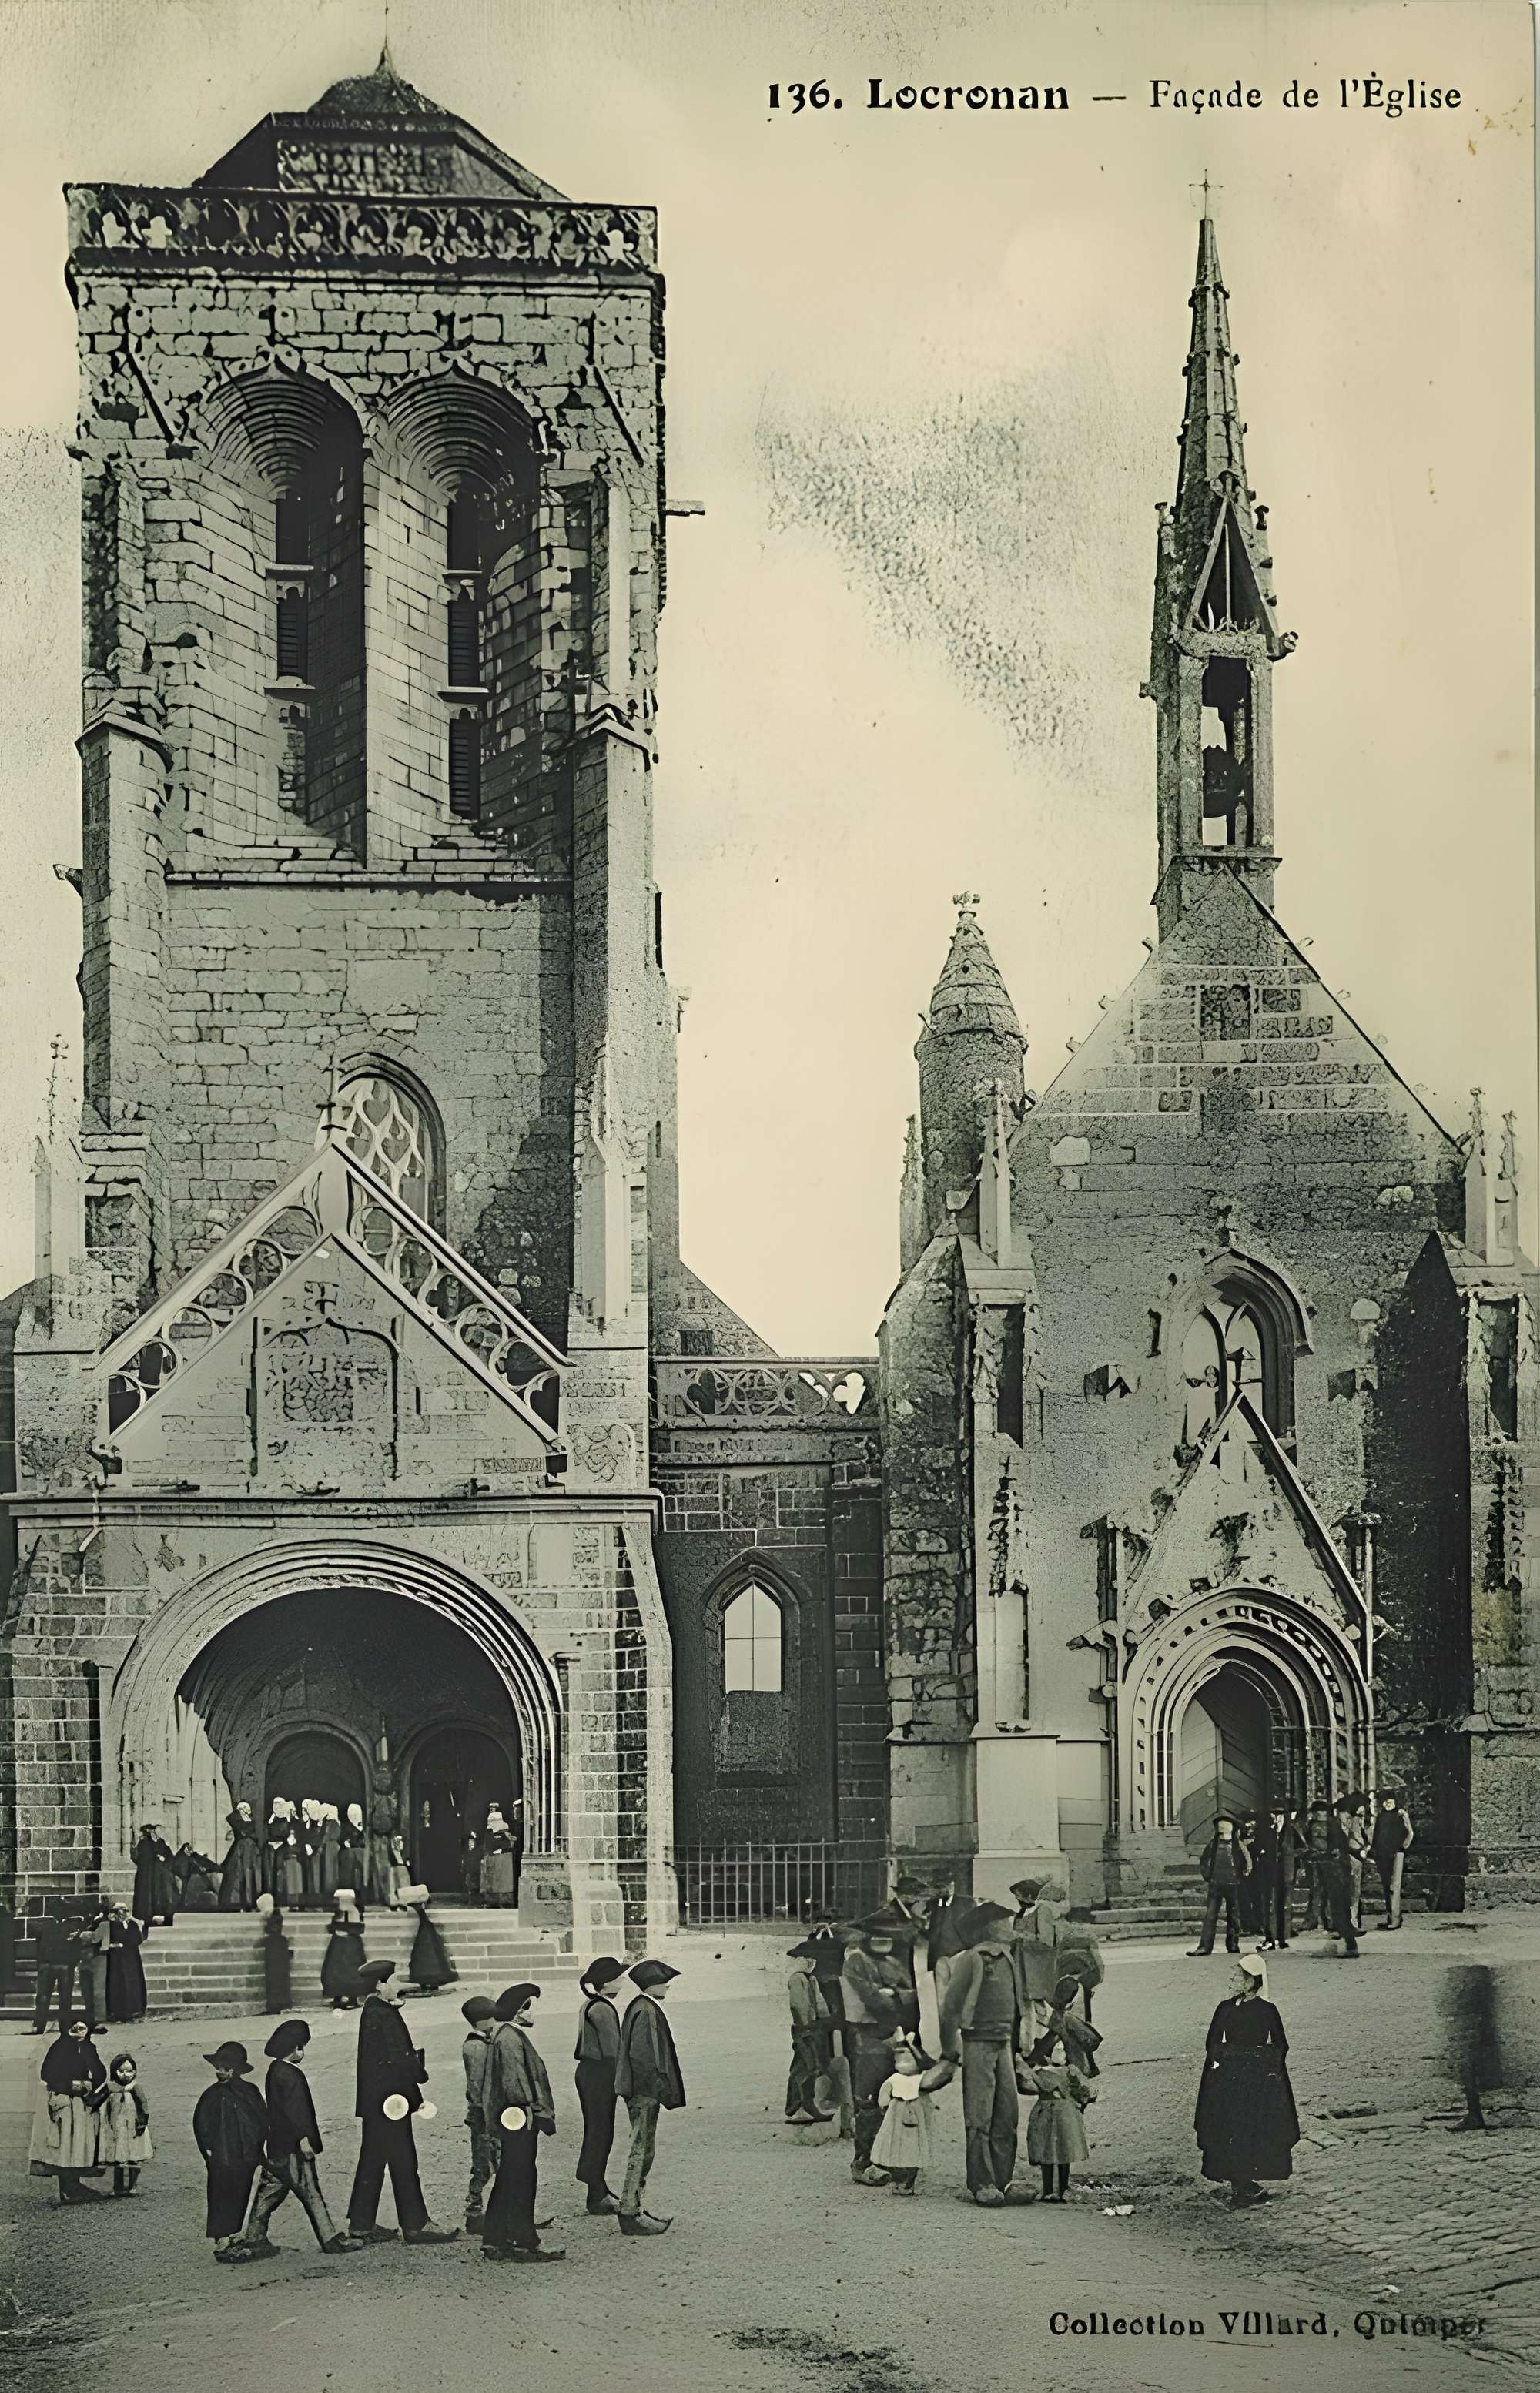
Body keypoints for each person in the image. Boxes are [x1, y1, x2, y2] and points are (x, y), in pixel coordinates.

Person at [346, 1956, 457, 2245]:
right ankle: (415, 2225)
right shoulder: (383, 2013)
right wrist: (418, 2084)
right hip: (391, 2103)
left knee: (373, 2159)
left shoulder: (374, 2010)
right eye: (393, 1981)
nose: (398, 1986)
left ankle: (361, 2224)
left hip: (378, 2102)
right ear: (381, 1984)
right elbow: (400, 2060)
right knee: (404, 2160)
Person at [235, 2020, 363, 2261]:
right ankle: (329, 2238)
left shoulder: (274, 2071)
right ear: (295, 2049)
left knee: (268, 2191)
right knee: (310, 2190)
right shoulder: (293, 2075)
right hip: (294, 2146)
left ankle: (255, 2235)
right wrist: (305, 2140)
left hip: (277, 2145)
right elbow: (298, 2112)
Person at [941, 1900, 1033, 2209]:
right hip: (977, 2043)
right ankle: (981, 2181)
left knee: (1006, 2115)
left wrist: (1021, 2049)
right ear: (990, 1927)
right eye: (1004, 1923)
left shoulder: (1008, 1958)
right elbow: (951, 2006)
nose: (1009, 1928)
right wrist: (949, 2050)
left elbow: (1019, 2006)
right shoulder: (971, 1959)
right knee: (979, 2115)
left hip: (1004, 2044)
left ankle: (1004, 2179)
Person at [1194, 1953, 1300, 2206]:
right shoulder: (1225, 2009)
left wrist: (1262, 2064)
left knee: (1250, 2129)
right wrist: (1222, 2061)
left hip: (1255, 2082)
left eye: (1239, 1975)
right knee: (1228, 2128)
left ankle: (1245, 2181)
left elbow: (1280, 2045)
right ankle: (1237, 2180)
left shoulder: (1267, 2011)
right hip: (1227, 2080)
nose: (1233, 1979)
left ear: (1252, 1981)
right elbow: (1212, 2043)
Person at [480, 1982, 562, 2262]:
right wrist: (539, 2113)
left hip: (512, 2118)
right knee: (522, 2177)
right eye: (530, 2007)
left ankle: (496, 2238)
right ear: (518, 2012)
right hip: (519, 2118)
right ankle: (522, 2241)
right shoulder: (511, 2038)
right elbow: (516, 2084)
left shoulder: (504, 2035)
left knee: (509, 2176)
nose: (533, 2013)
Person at [840, 1910, 920, 2184]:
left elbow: (913, 1995)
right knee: (869, 2102)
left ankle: (888, 2157)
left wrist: (895, 1994)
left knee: (895, 2100)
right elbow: (875, 2000)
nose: (883, 1938)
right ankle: (864, 2162)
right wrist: (897, 1997)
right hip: (866, 2037)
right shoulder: (857, 1961)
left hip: (890, 2035)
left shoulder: (889, 1961)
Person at [614, 1958, 685, 2236]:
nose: (667, 1986)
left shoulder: (642, 2006)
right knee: (641, 2149)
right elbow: (644, 2057)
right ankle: (630, 2210)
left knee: (643, 2148)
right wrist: (656, 2091)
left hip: (641, 2090)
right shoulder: (646, 2010)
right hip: (644, 2092)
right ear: (653, 1984)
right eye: (664, 1981)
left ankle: (634, 2206)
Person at [193, 2041, 269, 2261]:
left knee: (240, 2191)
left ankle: (234, 2231)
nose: (220, 2073)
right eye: (219, 2068)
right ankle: (221, 2237)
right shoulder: (211, 2095)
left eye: (226, 2068)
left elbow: (262, 2119)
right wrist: (207, 2150)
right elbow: (201, 2125)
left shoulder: (250, 2091)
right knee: (219, 2194)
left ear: (236, 2070)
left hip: (244, 2155)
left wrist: (257, 2147)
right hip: (220, 2156)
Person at [28, 2017, 106, 2203]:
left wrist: (89, 2085)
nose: (80, 2033)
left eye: (84, 2029)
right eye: (76, 2029)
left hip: (81, 2103)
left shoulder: (89, 2048)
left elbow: (100, 2073)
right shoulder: (60, 2047)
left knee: (79, 2143)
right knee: (65, 2143)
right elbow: (47, 2074)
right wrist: (70, 2086)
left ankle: (75, 2183)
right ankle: (67, 2187)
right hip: (63, 2100)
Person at [869, 2030, 954, 2195]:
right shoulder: (894, 2078)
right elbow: (884, 2093)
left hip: (916, 2116)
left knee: (913, 2147)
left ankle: (909, 2181)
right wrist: (884, 2104)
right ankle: (899, 2179)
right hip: (896, 2113)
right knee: (896, 2146)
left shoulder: (921, 2080)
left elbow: (926, 2096)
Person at [573, 1955, 625, 2215]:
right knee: (600, 2132)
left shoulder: (590, 2003)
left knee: (598, 2130)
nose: (623, 1981)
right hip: (600, 2074)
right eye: (619, 1977)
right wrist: (625, 2081)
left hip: (588, 2072)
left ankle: (599, 2187)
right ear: (608, 1983)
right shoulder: (603, 2008)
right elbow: (613, 2051)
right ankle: (596, 2191)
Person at [804, 1909, 853, 2137]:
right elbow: (810, 1950)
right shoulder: (815, 1937)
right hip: (823, 1982)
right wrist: (818, 1933)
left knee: (837, 2027)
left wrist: (831, 1931)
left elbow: (840, 1947)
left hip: (835, 1983)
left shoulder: (838, 1937)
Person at [1021, 2053, 1096, 2200]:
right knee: (1063, 2150)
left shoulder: (1038, 2072)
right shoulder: (1070, 2071)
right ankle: (1062, 2190)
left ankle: (1048, 2190)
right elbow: (1085, 2090)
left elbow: (1025, 2086)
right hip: (1065, 2112)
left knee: (1046, 2151)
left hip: (1045, 2110)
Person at [1009, 1879, 1068, 2047]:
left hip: (1039, 1970)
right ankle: (1029, 2048)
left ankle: (1058, 2045)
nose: (1017, 1900)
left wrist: (1020, 1937)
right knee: (1025, 2010)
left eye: (1019, 1896)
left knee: (1042, 2010)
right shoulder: (1021, 1914)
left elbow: (1047, 1941)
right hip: (1023, 1970)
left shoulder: (1043, 1912)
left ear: (1030, 1896)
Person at [785, 1939, 835, 2126]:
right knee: (804, 2068)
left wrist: (824, 2023)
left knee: (809, 2066)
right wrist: (807, 2028)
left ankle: (806, 2104)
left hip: (813, 2028)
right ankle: (798, 2107)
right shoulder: (798, 1979)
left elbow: (820, 2006)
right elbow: (798, 2007)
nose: (811, 1963)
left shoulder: (810, 1979)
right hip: (805, 2030)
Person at [461, 1996, 499, 2230]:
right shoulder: (475, 2047)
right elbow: (476, 2086)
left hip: (491, 2112)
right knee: (483, 2166)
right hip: (484, 2116)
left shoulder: (484, 2041)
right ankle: (474, 2212)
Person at [1189, 1816, 1249, 1957]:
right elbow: (1204, 1861)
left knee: (1234, 1916)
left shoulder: (1238, 1845)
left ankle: (1233, 1945)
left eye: (1225, 1826)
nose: (1222, 1828)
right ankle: (1204, 1947)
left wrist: (1243, 1877)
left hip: (1234, 1884)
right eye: (1220, 1827)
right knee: (1210, 1915)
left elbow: (1247, 1862)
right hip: (1216, 1884)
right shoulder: (1212, 1845)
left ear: (1232, 1828)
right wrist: (1208, 1876)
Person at [100, 2052, 153, 2196]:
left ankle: (132, 2185)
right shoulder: (111, 2088)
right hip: (118, 2127)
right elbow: (98, 2100)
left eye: (130, 2071)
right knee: (119, 2157)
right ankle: (117, 2187)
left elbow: (143, 2105)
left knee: (134, 2156)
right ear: (114, 2071)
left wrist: (142, 2122)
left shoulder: (135, 2088)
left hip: (134, 2127)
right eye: (122, 2071)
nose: (126, 2075)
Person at [1030, 1976, 1103, 2079]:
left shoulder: (1063, 2018)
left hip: (1077, 2071)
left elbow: (1093, 2040)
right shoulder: (1065, 2018)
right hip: (1077, 2067)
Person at [925, 1874, 968, 2022]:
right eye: (939, 1887)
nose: (942, 1890)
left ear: (952, 1885)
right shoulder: (933, 1905)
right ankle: (945, 2024)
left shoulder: (966, 1904)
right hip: (939, 1955)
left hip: (959, 1954)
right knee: (941, 1995)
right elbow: (930, 1929)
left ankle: (960, 2024)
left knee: (959, 1992)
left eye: (945, 1886)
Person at [1323, 1798, 1362, 1959]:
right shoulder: (1333, 1826)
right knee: (1339, 1906)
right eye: (1345, 1814)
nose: (1347, 1817)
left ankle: (1349, 1944)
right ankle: (1349, 1942)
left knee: (1340, 1906)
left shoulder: (1339, 1826)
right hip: (1336, 1869)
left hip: (1340, 1870)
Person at [1371, 1789, 1414, 1929]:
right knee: (1385, 1886)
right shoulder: (1381, 1816)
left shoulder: (1401, 1815)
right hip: (1382, 1855)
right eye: (1384, 1800)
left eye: (1390, 1800)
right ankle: (1390, 1917)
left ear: (1395, 1801)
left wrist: (1402, 1848)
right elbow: (1376, 1835)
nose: (1387, 1803)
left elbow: (1410, 1833)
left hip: (1396, 1854)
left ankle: (1395, 1920)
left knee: (1394, 1887)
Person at [1053, 1909, 1106, 2023]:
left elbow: (1096, 1957)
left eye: (1083, 1924)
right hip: (1071, 1973)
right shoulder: (1069, 1938)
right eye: (1076, 1924)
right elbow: (1059, 1956)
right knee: (1079, 1999)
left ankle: (1084, 2021)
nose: (1080, 1927)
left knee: (1080, 1999)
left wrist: (1100, 1973)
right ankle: (1084, 2021)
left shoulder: (1081, 1938)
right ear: (1070, 1924)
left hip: (1082, 1973)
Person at [31, 1910, 78, 2035]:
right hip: (60, 1965)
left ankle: (40, 2026)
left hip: (53, 1964)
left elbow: (38, 1943)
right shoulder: (72, 1925)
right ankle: (64, 2027)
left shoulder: (44, 1925)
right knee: (62, 1998)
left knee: (47, 1997)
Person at [321, 1890, 366, 2011]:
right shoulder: (338, 1913)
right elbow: (333, 1927)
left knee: (352, 1972)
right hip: (338, 1945)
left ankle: (353, 1998)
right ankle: (337, 1997)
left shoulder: (354, 1912)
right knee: (335, 1970)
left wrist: (342, 1929)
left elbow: (356, 1929)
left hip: (351, 1947)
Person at [105, 1900, 148, 2022]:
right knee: (117, 1984)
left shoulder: (132, 1925)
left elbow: (138, 1940)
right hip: (116, 1959)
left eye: (124, 1910)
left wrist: (134, 1923)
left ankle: (133, 2011)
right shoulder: (110, 1925)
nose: (121, 1913)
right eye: (118, 1910)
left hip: (131, 1958)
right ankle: (117, 2012)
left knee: (132, 1983)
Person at [132, 1825, 178, 1927]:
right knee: (149, 1897)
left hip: (158, 1876)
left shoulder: (160, 1843)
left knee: (157, 1896)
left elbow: (170, 1858)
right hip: (149, 1876)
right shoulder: (145, 1843)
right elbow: (138, 1858)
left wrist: (162, 1860)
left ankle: (157, 1915)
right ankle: (150, 1917)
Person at [409, 1893, 455, 1991]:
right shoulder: (420, 1913)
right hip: (425, 1939)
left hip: (426, 1939)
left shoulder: (422, 1912)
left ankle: (428, 1983)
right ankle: (428, 1983)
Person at [219, 1802, 262, 1910]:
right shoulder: (244, 1828)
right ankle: (245, 1901)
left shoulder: (245, 1833)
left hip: (245, 1851)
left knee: (246, 1875)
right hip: (244, 1851)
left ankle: (246, 1901)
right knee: (243, 1876)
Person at [256, 1893, 293, 2011]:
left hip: (276, 1949)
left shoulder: (274, 1917)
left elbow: (274, 1930)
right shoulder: (274, 1916)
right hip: (276, 1949)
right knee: (275, 1979)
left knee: (277, 1979)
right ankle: (276, 2003)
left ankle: (278, 2003)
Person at [479, 1806, 518, 1909]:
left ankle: (504, 1901)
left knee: (503, 1881)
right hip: (493, 1858)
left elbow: (508, 1844)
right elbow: (488, 1844)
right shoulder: (489, 1833)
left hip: (503, 1859)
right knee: (493, 1881)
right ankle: (492, 1901)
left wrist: (502, 1849)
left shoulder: (504, 1833)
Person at [313, 1804, 344, 1906]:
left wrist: (322, 1845)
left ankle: (330, 1895)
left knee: (330, 1872)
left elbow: (327, 1836)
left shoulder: (332, 1824)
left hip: (330, 1850)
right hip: (331, 1849)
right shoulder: (334, 1824)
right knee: (331, 1872)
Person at [176, 1846, 220, 1912]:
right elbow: (204, 1864)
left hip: (187, 1884)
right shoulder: (192, 1859)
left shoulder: (182, 1859)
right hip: (192, 1880)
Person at [341, 1803, 368, 1903]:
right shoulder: (348, 1828)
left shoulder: (364, 1827)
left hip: (361, 1855)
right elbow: (345, 1841)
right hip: (352, 1856)